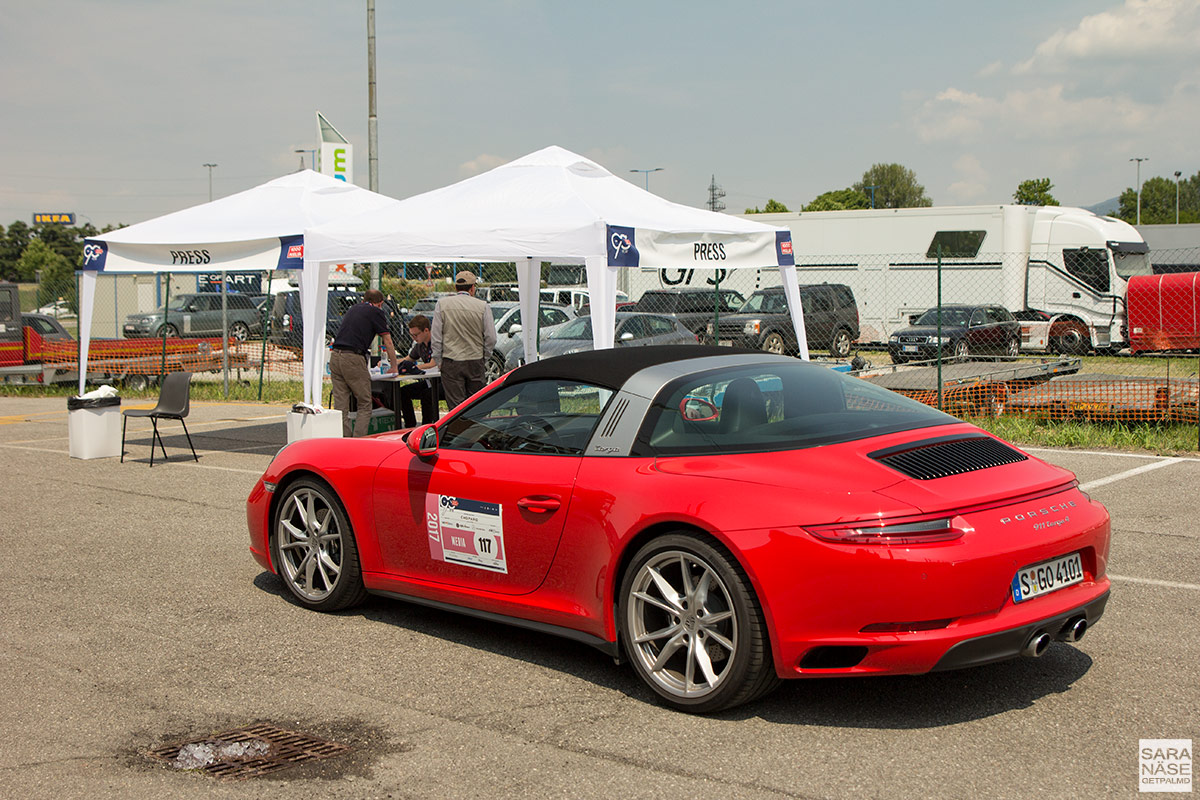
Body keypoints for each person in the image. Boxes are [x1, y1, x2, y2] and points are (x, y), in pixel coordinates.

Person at [329, 288, 398, 438]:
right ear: (380, 303)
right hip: (353, 357)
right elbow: (387, 341)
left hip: (335, 356)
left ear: (363, 299)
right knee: (365, 403)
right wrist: (394, 365)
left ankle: (343, 440)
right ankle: (358, 441)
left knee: (341, 406)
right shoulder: (376, 312)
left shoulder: (353, 309)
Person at [431, 271, 496, 411]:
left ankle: (457, 430)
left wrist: (439, 360)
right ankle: (475, 430)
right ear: (472, 288)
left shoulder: (442, 304)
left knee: (455, 407)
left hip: (451, 359)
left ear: (456, 288)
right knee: (476, 404)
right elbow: (491, 337)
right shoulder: (483, 306)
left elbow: (436, 337)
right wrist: (484, 356)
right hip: (475, 359)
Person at [396, 314, 441, 428]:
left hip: (443, 381)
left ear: (426, 330)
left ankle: (426, 427)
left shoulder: (436, 342)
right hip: (428, 381)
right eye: (412, 335)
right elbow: (408, 359)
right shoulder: (419, 345)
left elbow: (432, 364)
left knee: (427, 395)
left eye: (416, 335)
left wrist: (413, 368)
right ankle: (410, 425)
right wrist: (392, 363)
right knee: (402, 392)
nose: (414, 338)